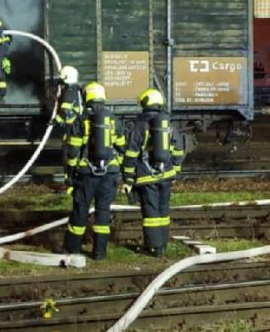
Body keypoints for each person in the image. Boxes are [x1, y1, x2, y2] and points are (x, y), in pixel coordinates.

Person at [61, 82, 126, 260]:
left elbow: (73, 151)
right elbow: (122, 147)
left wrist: (70, 174)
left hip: (87, 174)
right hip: (109, 174)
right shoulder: (114, 121)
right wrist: (118, 169)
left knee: (80, 210)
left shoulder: (81, 121)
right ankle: (99, 253)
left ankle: (72, 248)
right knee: (103, 212)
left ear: (86, 97)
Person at [122, 88, 185, 257]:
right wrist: (175, 171)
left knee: (151, 213)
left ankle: (153, 247)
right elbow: (178, 150)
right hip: (167, 175)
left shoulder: (140, 125)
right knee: (163, 210)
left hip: (146, 177)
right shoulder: (169, 125)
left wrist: (128, 177)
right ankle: (163, 244)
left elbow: (131, 153)